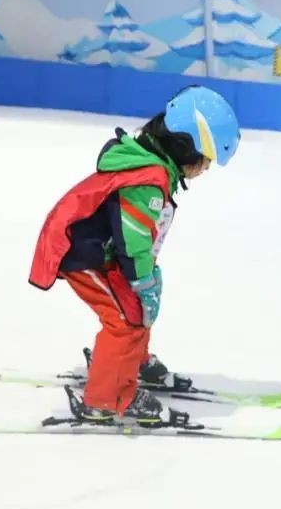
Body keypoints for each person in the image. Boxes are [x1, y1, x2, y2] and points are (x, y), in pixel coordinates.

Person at [28, 85, 240, 426]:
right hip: (79, 251)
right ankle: (106, 398)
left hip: (103, 249)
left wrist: (145, 281)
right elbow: (135, 239)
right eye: (206, 159)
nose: (205, 169)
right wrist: (143, 281)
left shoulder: (153, 169)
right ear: (185, 145)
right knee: (125, 321)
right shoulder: (148, 179)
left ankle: (128, 364)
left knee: (137, 307)